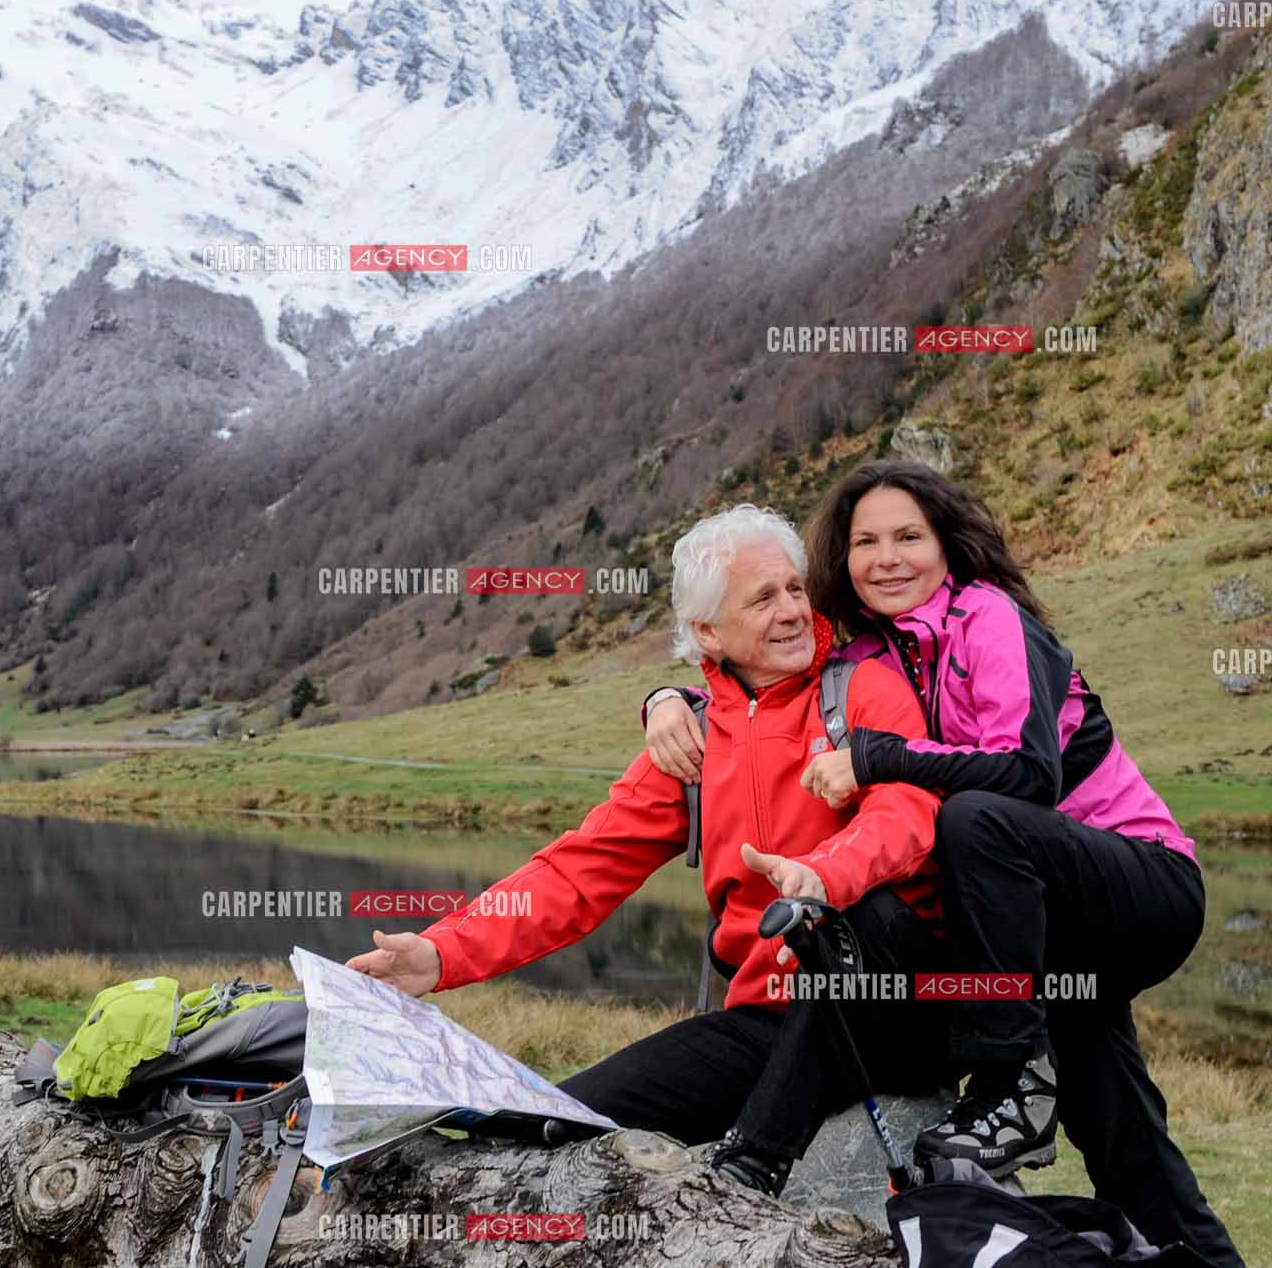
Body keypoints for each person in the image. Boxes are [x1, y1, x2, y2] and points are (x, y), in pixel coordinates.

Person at [642, 461, 1258, 1268]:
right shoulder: (871, 647)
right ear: (843, 559)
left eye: (909, 537)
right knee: (1119, 1124)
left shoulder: (991, 619)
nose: (887, 558)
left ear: (947, 547)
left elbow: (1028, 776)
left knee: (972, 819)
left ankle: (1009, 1083)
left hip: (1138, 887)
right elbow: (776, 669)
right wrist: (670, 696)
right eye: (865, 542)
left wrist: (879, 756)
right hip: (1044, 923)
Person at [349, 505, 950, 1195]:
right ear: (707, 632)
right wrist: (442, 952)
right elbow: (576, 873)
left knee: (846, 929)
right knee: (550, 1122)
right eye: (762, 599)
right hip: (762, 1024)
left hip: (885, 1005)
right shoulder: (690, 742)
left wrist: (825, 874)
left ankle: (752, 1164)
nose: (791, 611)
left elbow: (910, 810)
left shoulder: (864, 692)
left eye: (794, 588)